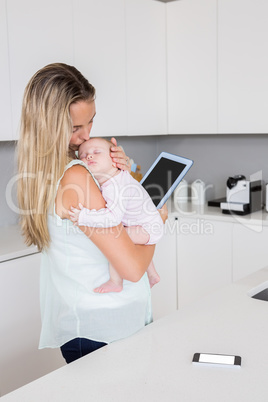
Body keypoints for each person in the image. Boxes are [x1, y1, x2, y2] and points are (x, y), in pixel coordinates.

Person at [17, 63, 167, 364]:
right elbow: (133, 269)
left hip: (90, 324)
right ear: (49, 125)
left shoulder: (51, 170)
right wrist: (155, 221)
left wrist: (122, 175)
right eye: (75, 128)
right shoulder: (76, 176)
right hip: (104, 329)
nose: (86, 137)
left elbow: (117, 216)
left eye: (90, 123)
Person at [68, 137, 163, 293]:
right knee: (129, 239)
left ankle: (116, 281)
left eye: (96, 152)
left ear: (114, 159)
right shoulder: (117, 177)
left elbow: (112, 218)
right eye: (83, 155)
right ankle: (152, 274)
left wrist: (83, 217)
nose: (89, 156)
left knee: (118, 240)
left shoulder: (115, 186)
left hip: (148, 227)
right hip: (146, 223)